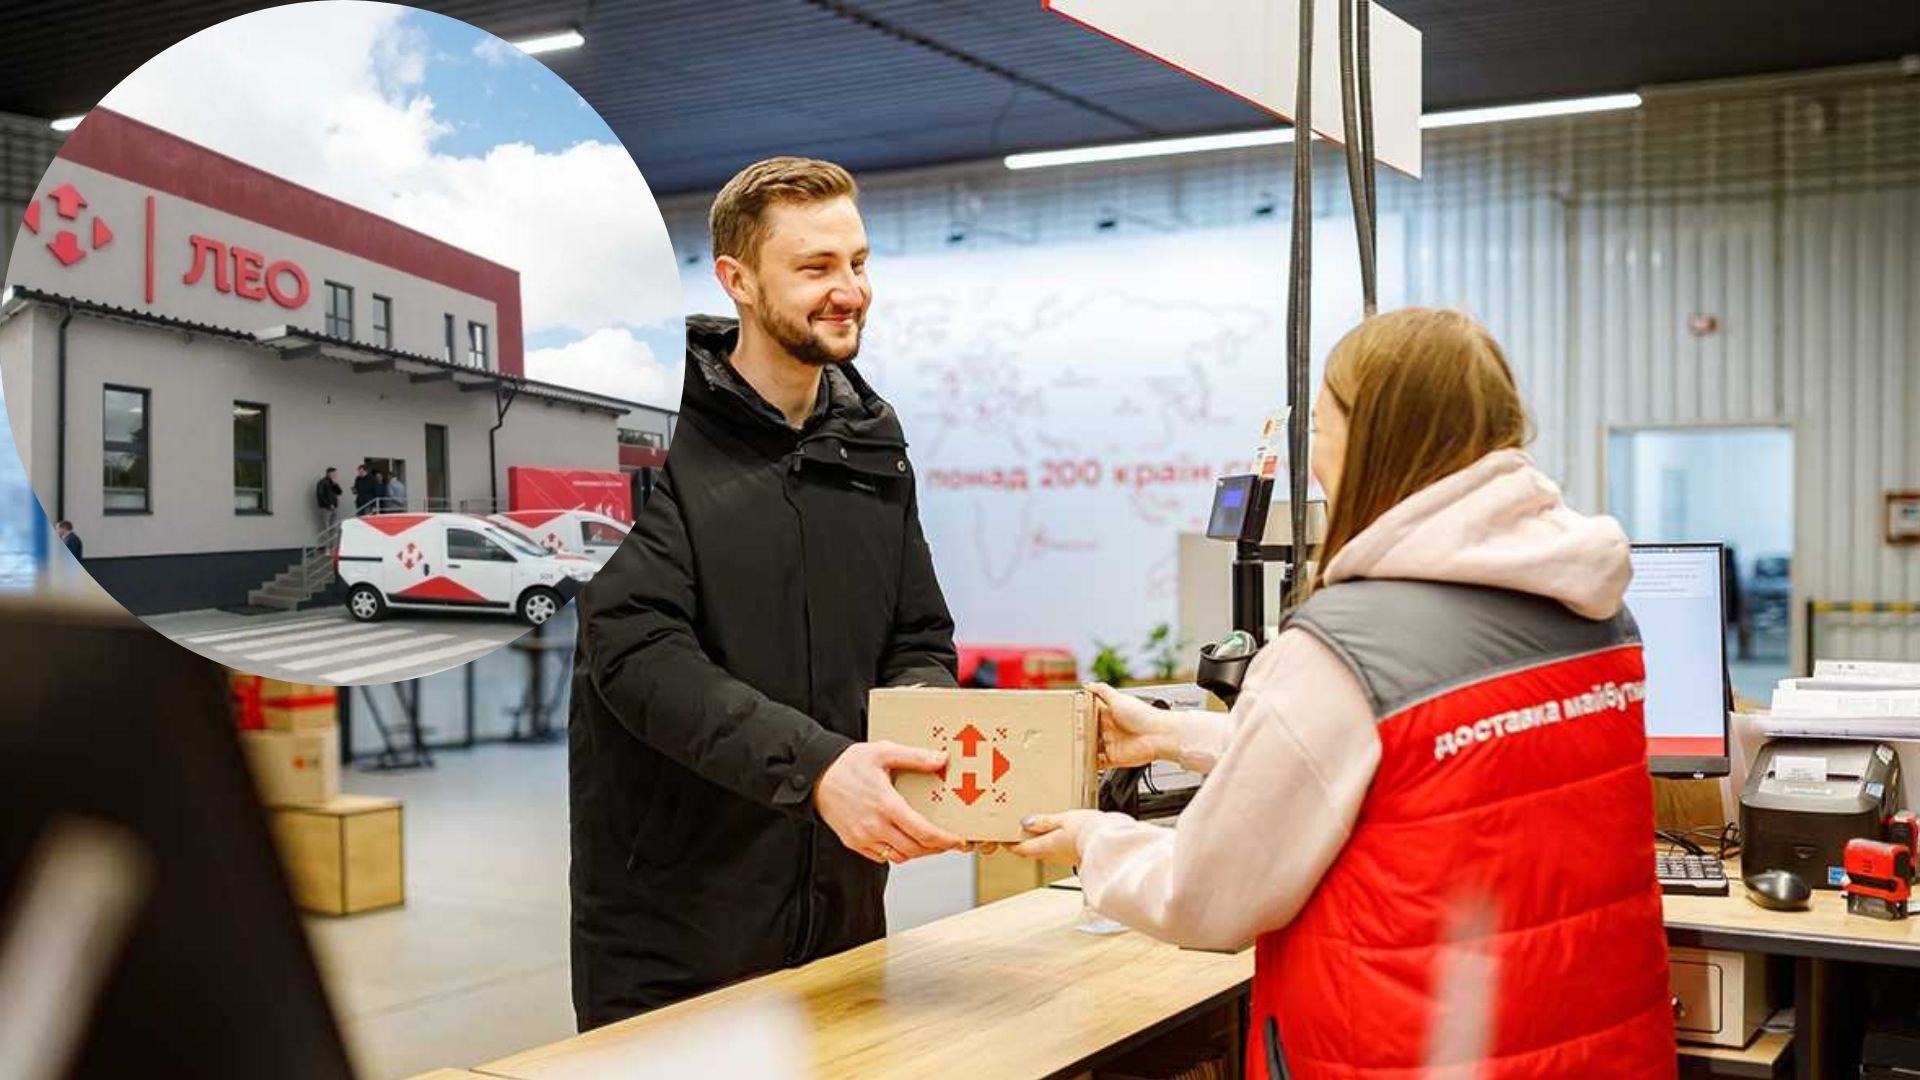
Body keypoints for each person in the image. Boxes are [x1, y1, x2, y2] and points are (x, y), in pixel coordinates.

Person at [1011, 308, 1676, 1078]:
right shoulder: (1592, 606)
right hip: (1597, 1046)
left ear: (1375, 439)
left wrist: (1095, 841)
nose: (1318, 461)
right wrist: (1171, 737)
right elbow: (1417, 770)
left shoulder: (1347, 645)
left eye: (1322, 428)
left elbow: (1205, 898)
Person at [569, 157, 963, 1031]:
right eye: (816, 268)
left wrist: (922, 723)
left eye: (858, 263)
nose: (849, 291)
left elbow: (919, 632)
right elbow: (636, 654)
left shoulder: (871, 438)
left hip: (843, 910)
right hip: (677, 931)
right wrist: (819, 768)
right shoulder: (637, 435)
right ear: (737, 281)